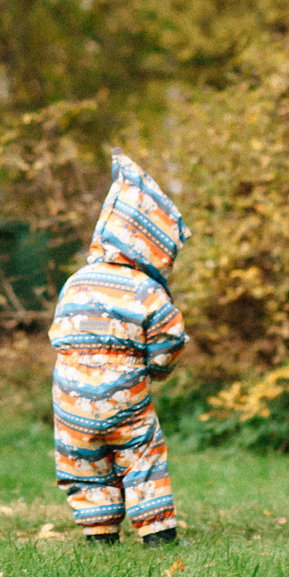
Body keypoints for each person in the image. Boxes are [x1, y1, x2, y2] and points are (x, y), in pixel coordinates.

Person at [50, 151, 190, 545]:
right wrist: (156, 369)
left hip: (71, 396)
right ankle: (158, 535)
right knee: (141, 456)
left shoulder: (76, 281)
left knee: (83, 462)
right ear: (151, 244)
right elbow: (170, 337)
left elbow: (58, 332)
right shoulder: (146, 289)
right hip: (124, 392)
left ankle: (99, 534)